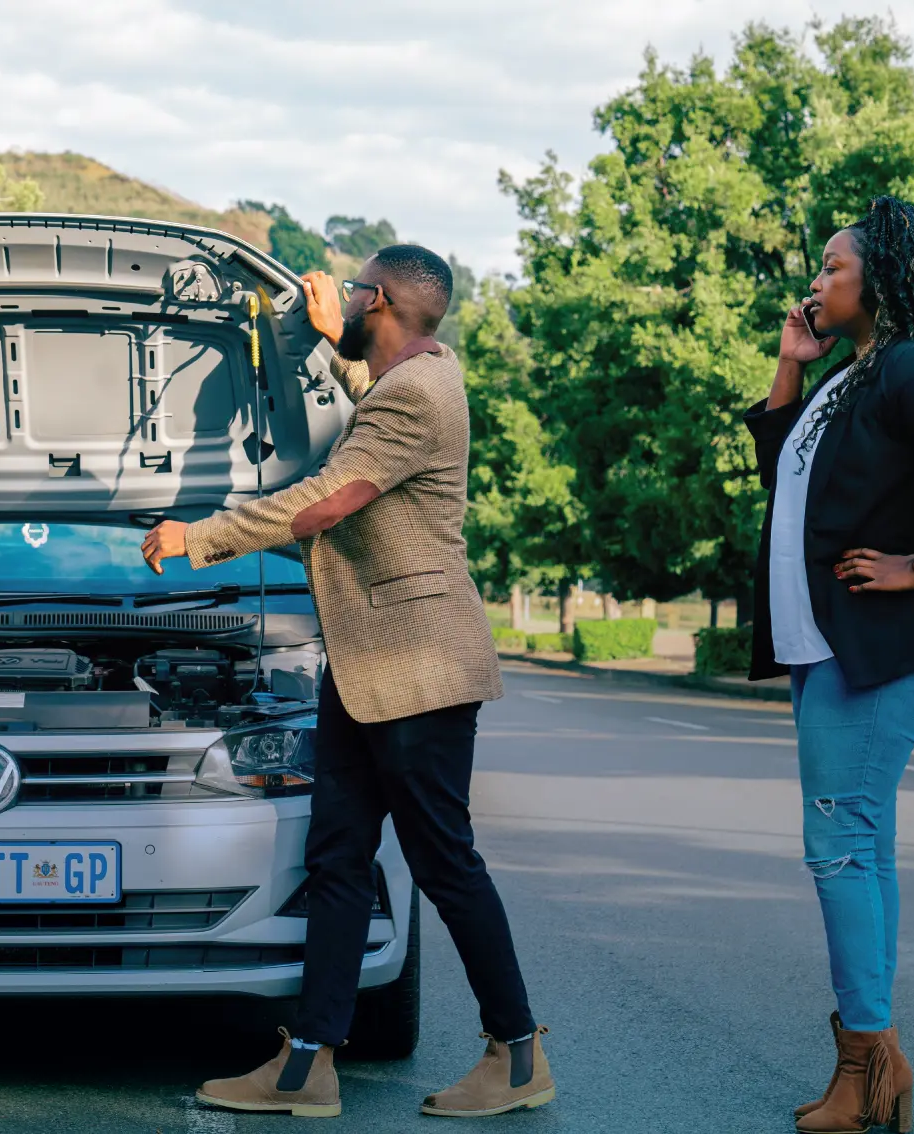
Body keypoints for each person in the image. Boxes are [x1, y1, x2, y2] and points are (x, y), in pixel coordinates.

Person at [141, 245, 551, 1120]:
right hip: (366, 663)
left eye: (357, 290)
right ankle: (308, 1064)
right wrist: (328, 347)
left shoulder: (418, 392)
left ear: (387, 301)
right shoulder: (410, 383)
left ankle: (516, 1054)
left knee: (446, 865)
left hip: (419, 664)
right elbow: (364, 421)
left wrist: (201, 536)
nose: (348, 298)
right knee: (336, 860)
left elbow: (327, 499)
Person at [747, 196, 914, 1134]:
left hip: (880, 640)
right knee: (863, 843)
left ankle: (863, 1067)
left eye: (832, 268)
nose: (815, 283)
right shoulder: (849, 378)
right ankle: (875, 1065)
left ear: (878, 281)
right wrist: (790, 364)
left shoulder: (909, 366)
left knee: (839, 845)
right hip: (829, 640)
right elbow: (784, 472)